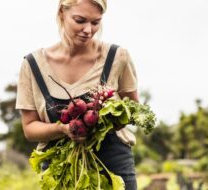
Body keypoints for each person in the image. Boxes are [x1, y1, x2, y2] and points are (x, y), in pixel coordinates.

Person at [16, 0, 139, 189]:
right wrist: (62, 129)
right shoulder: (34, 65)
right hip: (62, 171)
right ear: (61, 14)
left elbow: (133, 110)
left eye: (96, 22)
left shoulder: (117, 57)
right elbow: (29, 128)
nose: (88, 30)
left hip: (113, 167)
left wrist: (104, 122)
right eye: (80, 20)